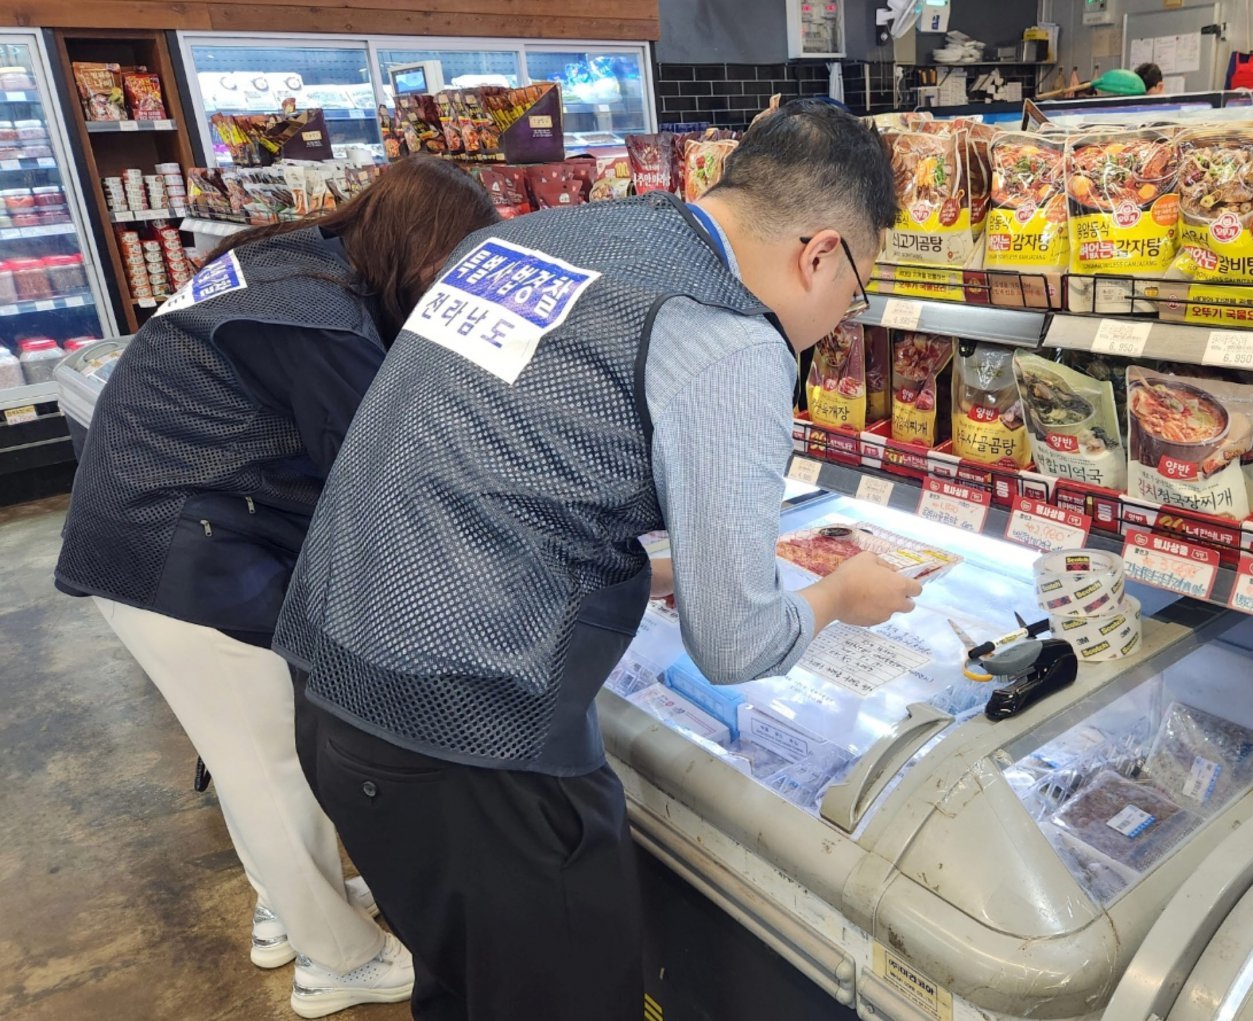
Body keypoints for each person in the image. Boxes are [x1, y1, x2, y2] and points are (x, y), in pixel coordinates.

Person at [275, 99, 920, 1020]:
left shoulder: (543, 235)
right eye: (855, 291)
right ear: (819, 253)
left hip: (330, 680)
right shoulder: (731, 339)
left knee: (461, 989)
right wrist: (837, 594)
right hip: (474, 740)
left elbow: (493, 456)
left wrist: (654, 572)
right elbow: (735, 648)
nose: (841, 317)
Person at [54, 156, 499, 1019]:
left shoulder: (298, 257)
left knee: (247, 749)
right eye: (454, 261)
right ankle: (339, 960)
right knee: (270, 763)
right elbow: (378, 483)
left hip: (158, 523)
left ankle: (286, 912)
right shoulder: (319, 318)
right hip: (177, 549)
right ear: (419, 243)